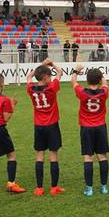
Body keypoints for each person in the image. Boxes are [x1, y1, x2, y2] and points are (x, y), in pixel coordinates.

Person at [27, 59, 65, 196]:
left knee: (39, 155)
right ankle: (54, 187)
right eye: (49, 76)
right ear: (46, 77)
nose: (51, 78)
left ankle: (39, 188)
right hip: (52, 125)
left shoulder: (30, 88)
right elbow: (60, 72)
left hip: (39, 126)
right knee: (53, 155)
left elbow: (29, 76)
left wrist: (42, 65)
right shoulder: (52, 88)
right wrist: (52, 63)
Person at [72, 65, 109, 197]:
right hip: (100, 127)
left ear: (87, 81)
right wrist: (101, 77)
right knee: (102, 156)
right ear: (100, 80)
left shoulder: (82, 92)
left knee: (88, 157)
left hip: (86, 128)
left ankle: (89, 188)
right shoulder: (104, 92)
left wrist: (76, 71)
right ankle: (104, 186)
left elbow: (74, 82)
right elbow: (105, 83)